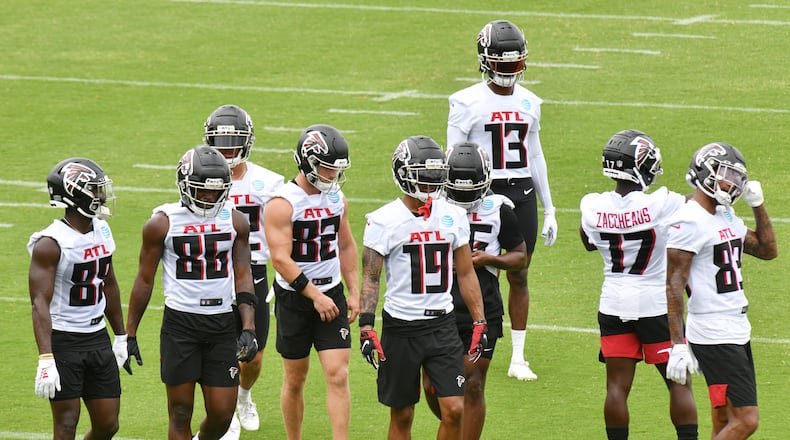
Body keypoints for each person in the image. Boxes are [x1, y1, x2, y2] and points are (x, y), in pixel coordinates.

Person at [447, 19, 558, 381]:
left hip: (521, 190)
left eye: (515, 62)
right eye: (502, 62)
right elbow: (453, 155)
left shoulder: (531, 101)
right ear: (485, 60)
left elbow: (535, 153)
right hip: (481, 191)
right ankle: (462, 337)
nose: (510, 70)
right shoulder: (465, 101)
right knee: (470, 266)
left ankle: (518, 357)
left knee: (519, 271)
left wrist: (550, 205)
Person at [124, 145, 259, 440]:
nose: (210, 197)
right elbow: (144, 280)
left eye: (216, 191)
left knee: (222, 415)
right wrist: (129, 333)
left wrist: (248, 326)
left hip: (221, 322)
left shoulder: (235, 221)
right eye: (202, 190)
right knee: (181, 412)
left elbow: (243, 274)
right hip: (181, 325)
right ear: (185, 185)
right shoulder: (162, 222)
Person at [359, 135, 488, 440]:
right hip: (401, 328)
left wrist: (479, 320)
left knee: (455, 409)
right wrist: (366, 326)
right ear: (403, 175)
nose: (431, 183)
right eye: (423, 176)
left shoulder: (453, 215)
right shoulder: (383, 221)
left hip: (441, 326)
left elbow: (467, 272)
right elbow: (370, 278)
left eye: (435, 175)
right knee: (402, 415)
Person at [579, 130, 698, 440]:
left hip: (613, 302)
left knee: (617, 386)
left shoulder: (592, 205)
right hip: (656, 303)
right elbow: (695, 205)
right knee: (679, 382)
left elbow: (588, 242)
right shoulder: (662, 202)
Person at [665, 142, 777, 439]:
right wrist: (677, 344)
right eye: (726, 174)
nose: (733, 184)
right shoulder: (688, 219)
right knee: (747, 420)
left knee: (724, 419)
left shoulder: (724, 214)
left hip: (735, 326)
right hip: (715, 331)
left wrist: (758, 204)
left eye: (737, 177)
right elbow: (674, 283)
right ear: (704, 172)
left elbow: (767, 250)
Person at [422, 141, 527, 439]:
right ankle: (453, 422)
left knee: (473, 382)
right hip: (437, 303)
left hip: (483, 306)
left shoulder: (500, 208)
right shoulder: (430, 207)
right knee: (431, 383)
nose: (465, 198)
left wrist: (489, 259)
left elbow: (520, 255)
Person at [262, 124, 359, 440]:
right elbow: (281, 259)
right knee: (295, 378)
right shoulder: (282, 203)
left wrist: (354, 291)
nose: (333, 175)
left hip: (331, 292)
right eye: (328, 168)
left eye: (336, 169)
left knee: (338, 373)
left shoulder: (337, 199)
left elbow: (345, 244)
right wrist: (315, 296)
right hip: (295, 298)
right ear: (308, 162)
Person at [28, 157, 128, 440]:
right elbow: (39, 303)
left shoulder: (102, 229)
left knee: (108, 424)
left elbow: (108, 282)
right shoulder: (50, 243)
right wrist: (46, 358)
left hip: (97, 336)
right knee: (67, 423)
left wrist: (120, 335)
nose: (101, 195)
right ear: (74, 194)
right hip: (64, 339)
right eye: (95, 190)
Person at [203, 104, 285, 435]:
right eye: (219, 144)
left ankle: (242, 395)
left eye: (232, 144)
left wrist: (283, 273)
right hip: (214, 271)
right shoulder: (198, 176)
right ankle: (224, 414)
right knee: (221, 347)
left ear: (246, 142)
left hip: (255, 271)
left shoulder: (269, 182)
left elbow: (283, 231)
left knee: (254, 356)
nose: (225, 151)